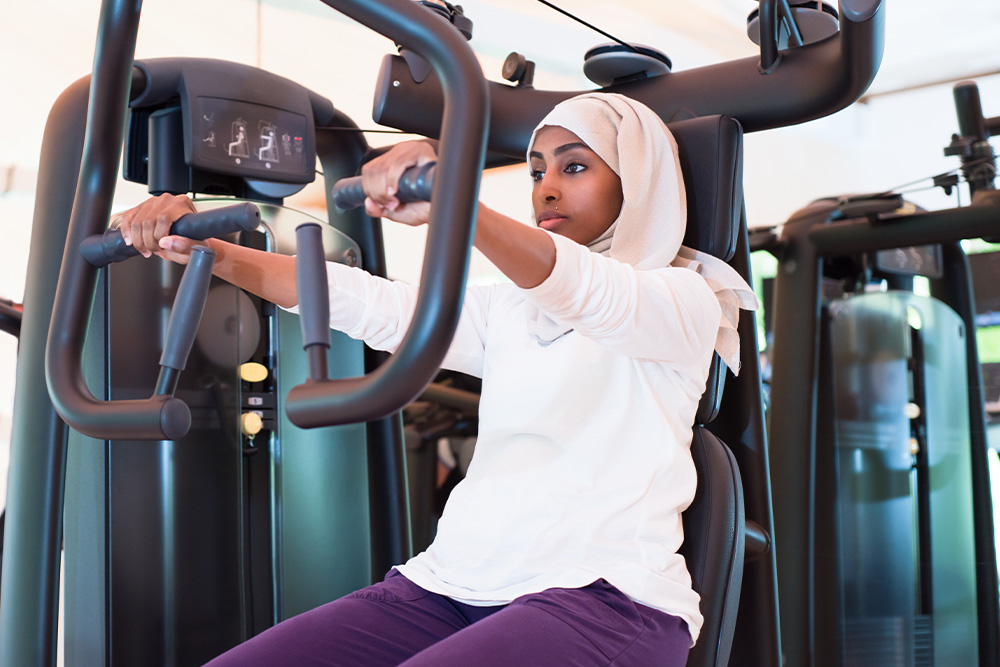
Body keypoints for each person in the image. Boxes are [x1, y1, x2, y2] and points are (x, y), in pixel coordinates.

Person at [117, 92, 757, 667]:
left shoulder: (688, 298)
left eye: (575, 166)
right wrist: (206, 250)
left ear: (636, 182)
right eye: (536, 172)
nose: (547, 190)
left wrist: (454, 200)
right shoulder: (510, 308)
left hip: (605, 603)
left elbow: (588, 292)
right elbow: (374, 305)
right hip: (449, 588)